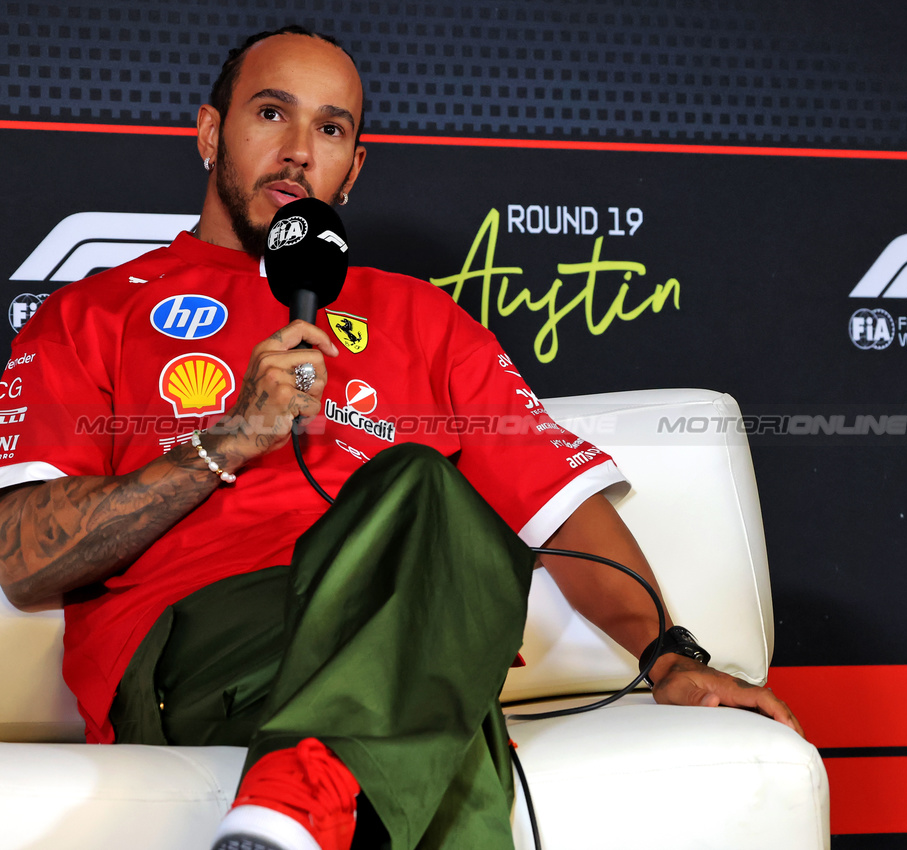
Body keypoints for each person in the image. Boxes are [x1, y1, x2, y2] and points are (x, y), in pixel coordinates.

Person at [0, 25, 802, 850]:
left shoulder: (423, 316)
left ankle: (292, 807)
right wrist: (230, 441)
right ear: (210, 132)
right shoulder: (95, 311)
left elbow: (560, 508)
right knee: (442, 703)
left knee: (424, 498)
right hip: (204, 648)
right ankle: (304, 794)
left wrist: (669, 657)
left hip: (410, 635)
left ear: (353, 168)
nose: (298, 150)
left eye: (330, 128)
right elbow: (23, 562)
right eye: (271, 113)